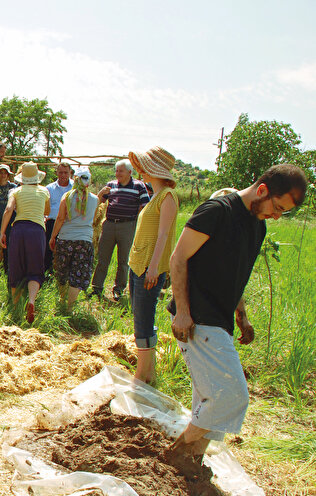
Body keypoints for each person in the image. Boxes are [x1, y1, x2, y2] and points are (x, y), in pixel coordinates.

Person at [166, 164, 308, 472]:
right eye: (277, 207)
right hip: (197, 318)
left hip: (220, 319)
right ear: (262, 190)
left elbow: (235, 276)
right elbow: (178, 257)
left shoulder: (257, 226)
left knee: (210, 398)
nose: (276, 216)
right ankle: (177, 452)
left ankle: (190, 464)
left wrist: (242, 316)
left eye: (284, 212)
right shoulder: (217, 211)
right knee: (232, 396)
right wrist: (183, 311)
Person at [126, 147, 179, 384]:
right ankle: (147, 371)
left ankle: (144, 375)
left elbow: (164, 234)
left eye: (143, 167)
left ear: (154, 170)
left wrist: (155, 267)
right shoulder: (154, 196)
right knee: (139, 317)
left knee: (144, 318)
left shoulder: (168, 196)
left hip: (149, 267)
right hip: (138, 264)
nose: (139, 171)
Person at [90, 159, 151, 301]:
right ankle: (96, 288)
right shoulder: (110, 185)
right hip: (109, 224)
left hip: (127, 226)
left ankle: (119, 289)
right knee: (103, 258)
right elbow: (99, 202)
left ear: (130, 172)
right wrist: (99, 194)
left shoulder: (139, 186)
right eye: (116, 171)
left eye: (121, 171)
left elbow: (145, 206)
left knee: (123, 260)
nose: (118, 174)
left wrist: (136, 222)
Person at [0, 161, 50, 324]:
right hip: (37, 231)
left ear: (22, 177)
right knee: (35, 268)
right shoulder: (44, 191)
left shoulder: (15, 191)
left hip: (19, 230)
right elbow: (47, 212)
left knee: (16, 267)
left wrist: (2, 232)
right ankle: (32, 301)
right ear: (37, 177)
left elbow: (8, 210)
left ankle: (15, 308)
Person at [49, 167, 98, 312]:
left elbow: (60, 218)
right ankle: (70, 308)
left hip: (66, 238)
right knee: (78, 273)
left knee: (63, 271)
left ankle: (62, 299)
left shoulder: (67, 196)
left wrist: (53, 236)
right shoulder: (95, 199)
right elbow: (93, 219)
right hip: (85, 240)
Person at [45, 162, 74, 275]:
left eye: (65, 173)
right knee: (49, 249)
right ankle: (47, 273)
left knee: (67, 250)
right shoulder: (49, 188)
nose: (63, 175)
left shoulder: (75, 187)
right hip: (52, 222)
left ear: (70, 173)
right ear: (56, 172)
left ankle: (64, 274)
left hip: (69, 223)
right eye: (60, 172)